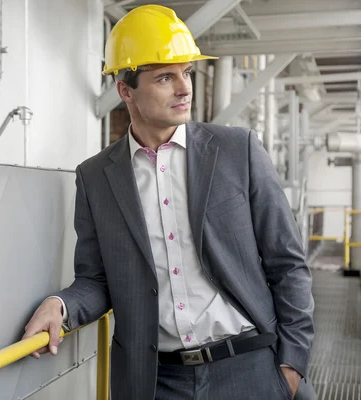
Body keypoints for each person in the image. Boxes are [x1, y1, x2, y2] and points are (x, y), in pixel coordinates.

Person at [22, 5, 315, 400]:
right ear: (126, 90)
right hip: (157, 382)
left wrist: (292, 363)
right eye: (165, 77)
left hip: (249, 368)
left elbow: (287, 262)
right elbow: (97, 278)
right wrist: (60, 305)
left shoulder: (236, 151)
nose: (184, 88)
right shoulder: (95, 177)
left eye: (187, 73)